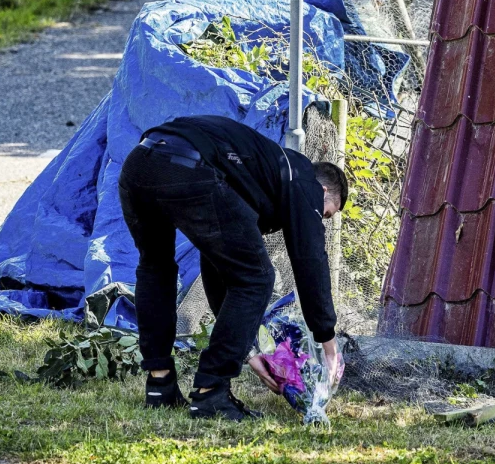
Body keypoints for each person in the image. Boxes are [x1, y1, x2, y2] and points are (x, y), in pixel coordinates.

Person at [118, 114, 347, 421]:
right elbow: (310, 261)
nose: (320, 219)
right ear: (322, 194)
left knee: (155, 266)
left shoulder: (255, 173)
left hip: (141, 162)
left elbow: (220, 270)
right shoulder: (304, 180)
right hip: (188, 164)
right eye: (326, 213)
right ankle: (210, 393)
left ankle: (160, 384)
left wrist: (249, 352)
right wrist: (328, 345)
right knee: (258, 277)